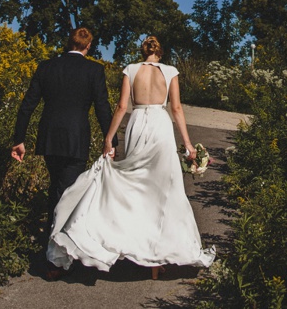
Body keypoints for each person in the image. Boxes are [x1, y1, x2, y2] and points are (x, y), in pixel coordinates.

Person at [47, 35, 216, 279]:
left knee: (137, 187)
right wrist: (188, 143)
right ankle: (156, 260)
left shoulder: (131, 69)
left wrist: (109, 138)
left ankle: (132, 244)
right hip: (160, 126)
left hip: (138, 125)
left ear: (143, 51)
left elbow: (121, 107)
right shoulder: (170, 71)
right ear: (160, 52)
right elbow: (176, 108)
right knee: (162, 190)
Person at [11, 27, 116, 278]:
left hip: (49, 138)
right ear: (88, 46)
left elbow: (28, 104)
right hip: (76, 139)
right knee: (67, 195)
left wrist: (18, 139)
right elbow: (102, 106)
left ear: (67, 43)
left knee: (57, 191)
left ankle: (55, 251)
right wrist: (110, 140)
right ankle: (55, 260)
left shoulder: (46, 67)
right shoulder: (94, 70)